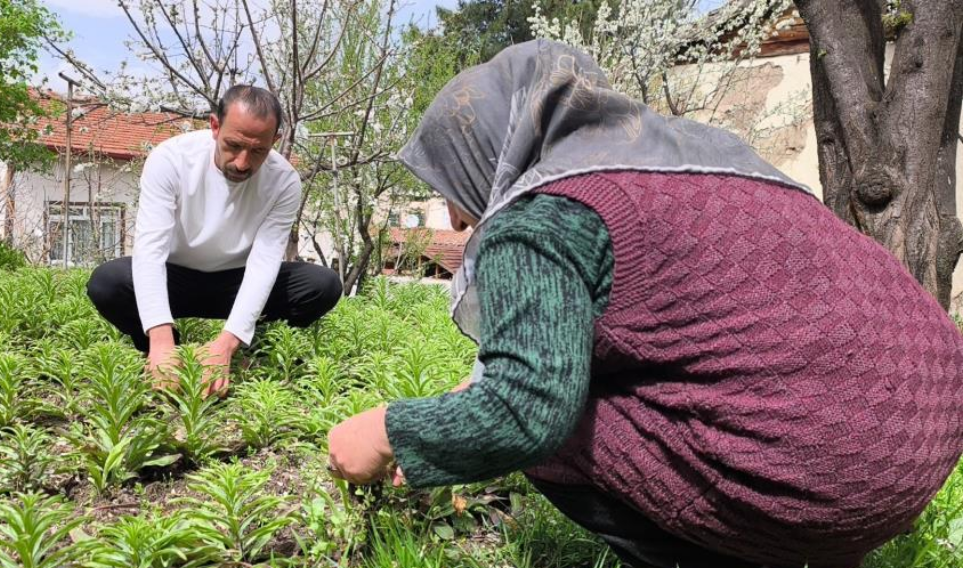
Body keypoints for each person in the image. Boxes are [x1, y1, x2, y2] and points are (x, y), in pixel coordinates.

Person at [326, 40, 963, 568]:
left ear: (485, 156)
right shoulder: (694, 162)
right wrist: (454, 427)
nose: (458, 219)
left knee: (554, 431)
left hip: (833, 476)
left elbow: (525, 410)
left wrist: (389, 433)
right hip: (925, 440)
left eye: (449, 185)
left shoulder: (541, 217)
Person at [87, 85, 342, 394]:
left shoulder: (284, 180)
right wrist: (160, 339)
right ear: (214, 126)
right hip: (176, 277)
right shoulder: (171, 159)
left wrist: (227, 342)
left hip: (236, 281)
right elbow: (150, 251)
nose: (243, 162)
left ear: (274, 141)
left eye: (258, 150)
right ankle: (167, 352)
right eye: (233, 145)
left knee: (322, 285)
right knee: (107, 282)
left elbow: (264, 262)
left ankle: (242, 342)